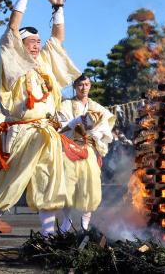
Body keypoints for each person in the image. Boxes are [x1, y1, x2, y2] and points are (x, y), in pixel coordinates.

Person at [0, 0, 81, 250]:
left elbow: (57, 41)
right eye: (32, 42)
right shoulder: (12, 62)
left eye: (38, 41)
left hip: (46, 133)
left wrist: (58, 9)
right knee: (10, 185)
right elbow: (11, 33)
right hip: (21, 132)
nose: (37, 45)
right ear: (20, 47)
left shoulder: (44, 63)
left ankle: (48, 238)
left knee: (48, 184)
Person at [58, 75, 115, 232]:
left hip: (89, 150)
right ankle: (66, 223)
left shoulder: (97, 107)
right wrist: (74, 122)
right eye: (80, 85)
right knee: (69, 187)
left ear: (90, 86)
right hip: (71, 148)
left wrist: (97, 134)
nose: (84, 88)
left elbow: (106, 126)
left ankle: (84, 226)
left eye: (87, 84)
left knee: (90, 187)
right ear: (75, 87)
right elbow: (61, 127)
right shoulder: (66, 105)